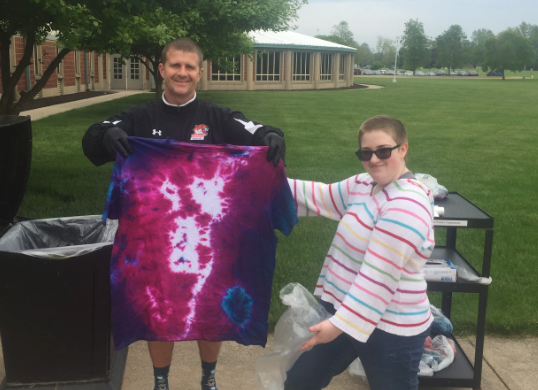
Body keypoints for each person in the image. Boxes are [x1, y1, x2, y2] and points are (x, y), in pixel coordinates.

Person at [82, 38, 286, 390]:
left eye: (190, 67)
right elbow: (92, 140)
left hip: (209, 239)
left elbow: (257, 132)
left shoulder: (218, 117)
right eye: (175, 65)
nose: (182, 73)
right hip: (152, 240)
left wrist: (271, 135)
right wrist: (108, 135)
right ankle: (161, 381)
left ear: (200, 73)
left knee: (212, 305)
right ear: (162, 70)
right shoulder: (139, 117)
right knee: (156, 307)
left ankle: (208, 376)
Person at [284, 115, 435, 390]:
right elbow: (317, 195)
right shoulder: (364, 185)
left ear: (403, 149)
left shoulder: (407, 205)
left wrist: (338, 325)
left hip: (392, 327)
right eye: (366, 153)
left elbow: (378, 278)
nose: (374, 159)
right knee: (300, 381)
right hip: (344, 307)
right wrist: (260, 179)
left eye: (383, 151)